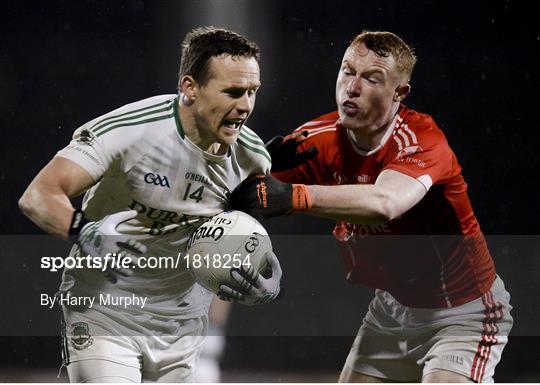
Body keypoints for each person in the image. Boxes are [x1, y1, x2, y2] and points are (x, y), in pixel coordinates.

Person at [227, 31, 513, 383]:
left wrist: (294, 196)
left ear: (399, 93)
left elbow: (385, 203)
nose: (352, 87)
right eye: (348, 72)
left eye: (371, 78)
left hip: (462, 311)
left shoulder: (422, 139)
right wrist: (243, 166)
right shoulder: (318, 138)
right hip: (391, 311)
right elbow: (236, 191)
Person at [18, 27, 282, 383]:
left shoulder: (251, 157)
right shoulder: (132, 130)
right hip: (105, 309)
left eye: (252, 92)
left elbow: (231, 239)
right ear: (190, 88)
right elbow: (39, 195)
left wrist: (262, 271)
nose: (246, 106)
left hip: (182, 322)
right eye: (233, 92)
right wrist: (85, 230)